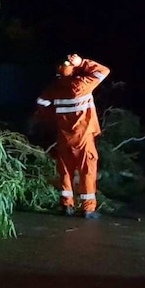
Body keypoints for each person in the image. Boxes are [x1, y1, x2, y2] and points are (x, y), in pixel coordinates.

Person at [35, 53, 110, 219]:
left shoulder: (54, 88)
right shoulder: (82, 84)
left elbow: (41, 103)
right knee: (87, 170)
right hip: (83, 137)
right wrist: (82, 62)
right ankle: (88, 208)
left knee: (65, 172)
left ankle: (66, 205)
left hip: (63, 137)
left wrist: (54, 118)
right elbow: (103, 71)